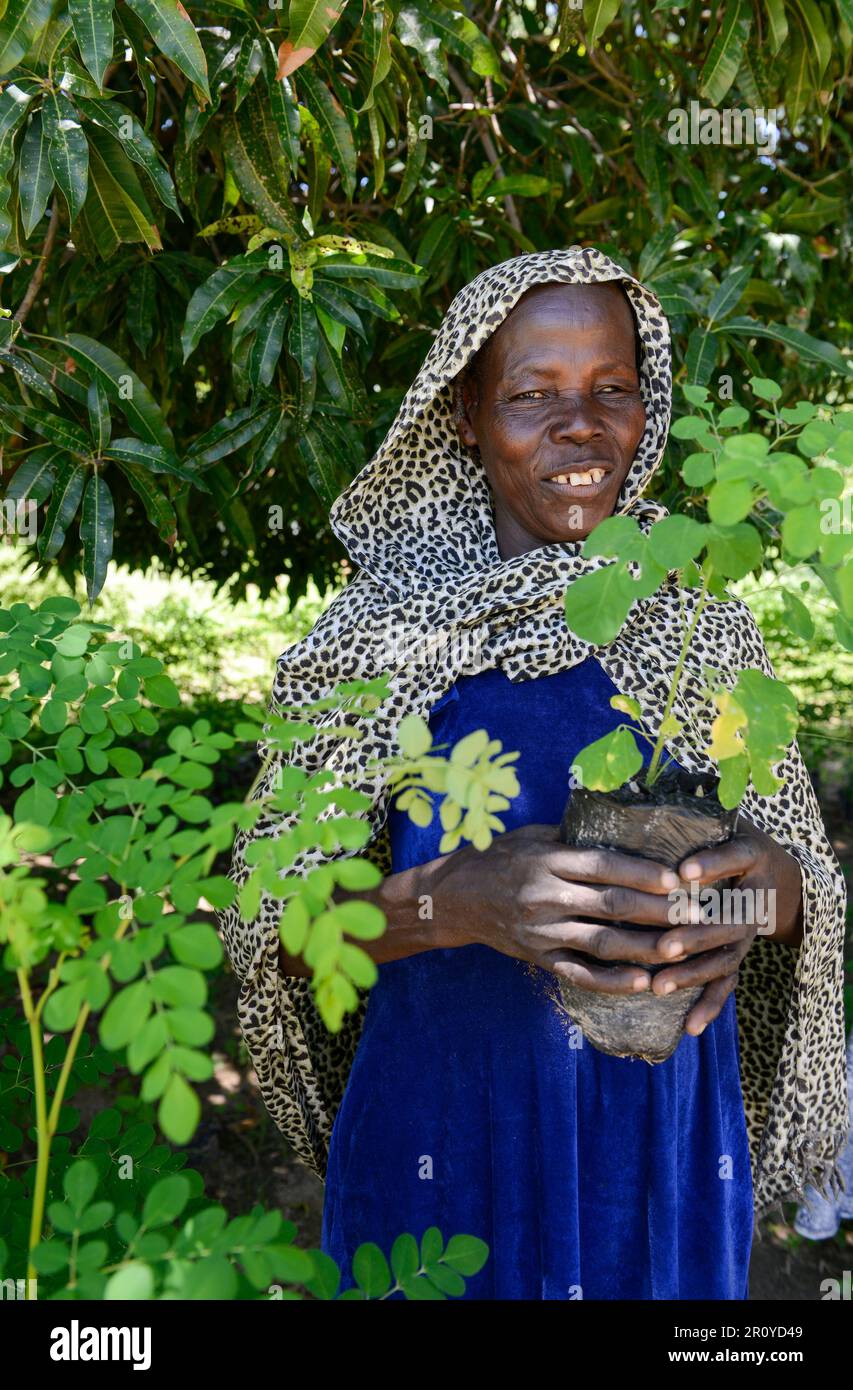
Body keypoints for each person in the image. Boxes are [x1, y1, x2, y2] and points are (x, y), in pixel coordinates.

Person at [218, 247, 849, 1300]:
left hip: (662, 1158)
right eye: (531, 394)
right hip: (447, 1154)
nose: (581, 426)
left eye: (612, 390)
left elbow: (802, 898)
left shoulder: (701, 628)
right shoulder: (375, 640)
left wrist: (745, 896)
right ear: (463, 414)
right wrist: (451, 902)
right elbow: (270, 925)